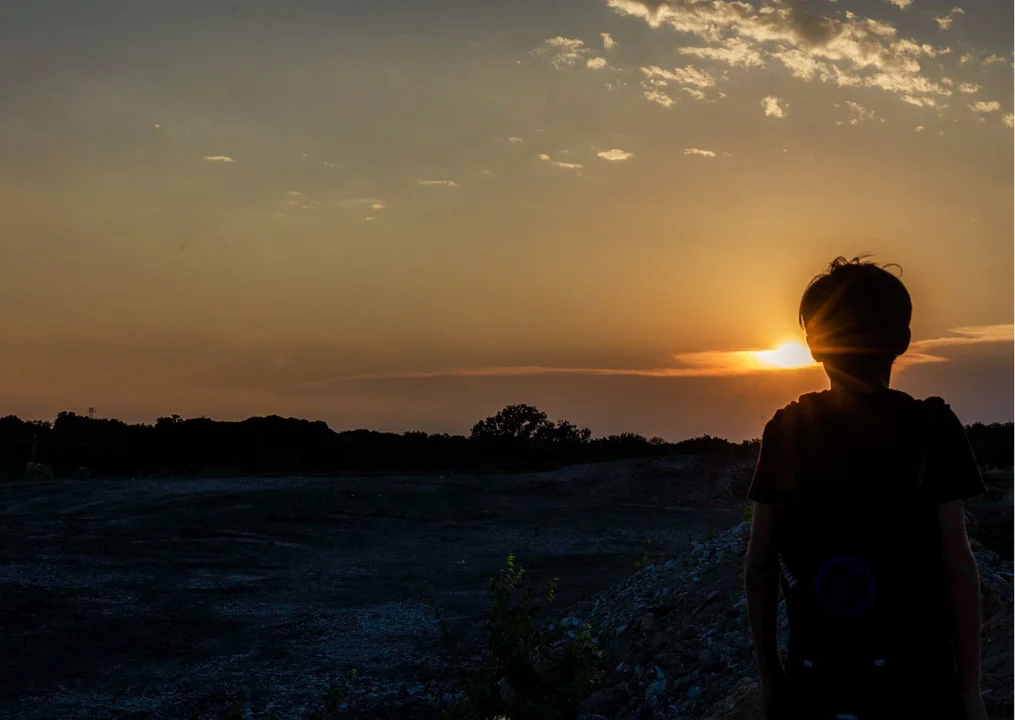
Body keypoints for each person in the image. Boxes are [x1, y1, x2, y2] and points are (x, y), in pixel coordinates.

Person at [743, 257, 988, 720]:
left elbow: (759, 566)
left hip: (817, 682)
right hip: (919, 686)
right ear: (903, 341)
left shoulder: (787, 429)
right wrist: (971, 690)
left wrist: (770, 672)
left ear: (814, 345)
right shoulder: (933, 428)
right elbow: (958, 563)